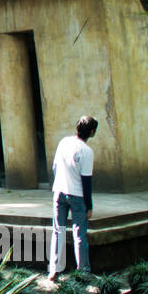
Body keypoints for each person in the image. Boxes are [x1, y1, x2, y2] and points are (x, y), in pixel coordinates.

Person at [48, 115, 98, 281]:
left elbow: (55, 166)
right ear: (92, 132)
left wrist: (59, 184)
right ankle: (83, 271)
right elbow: (86, 181)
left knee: (58, 231)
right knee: (79, 234)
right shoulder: (87, 152)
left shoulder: (64, 142)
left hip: (59, 192)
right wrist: (89, 206)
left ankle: (54, 269)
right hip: (77, 195)